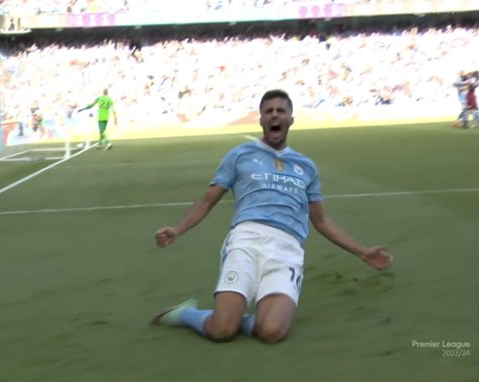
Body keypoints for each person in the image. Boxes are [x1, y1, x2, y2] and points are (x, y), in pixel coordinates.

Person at [152, 89, 393, 344]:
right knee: (221, 330)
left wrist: (361, 251)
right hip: (246, 240)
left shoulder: (307, 166)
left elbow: (321, 220)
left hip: (287, 248)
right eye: (268, 111)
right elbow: (207, 201)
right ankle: (187, 313)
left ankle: (238, 315)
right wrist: (177, 230)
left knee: (272, 332)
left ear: (290, 119)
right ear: (261, 120)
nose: (274, 116)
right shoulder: (240, 155)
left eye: (280, 111)